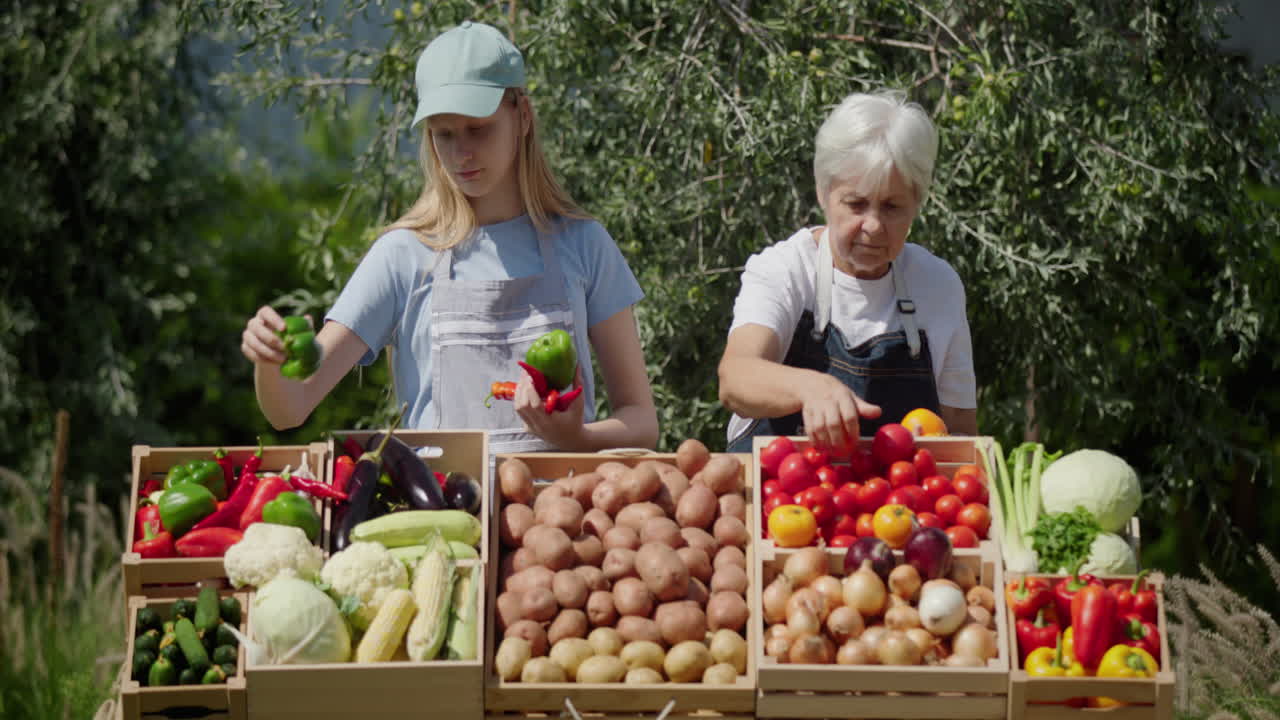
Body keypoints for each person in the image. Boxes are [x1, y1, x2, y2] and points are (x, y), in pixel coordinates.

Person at [240, 21, 658, 454]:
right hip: (439, 515)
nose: (462, 152)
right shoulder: (402, 255)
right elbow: (290, 409)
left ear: (524, 116)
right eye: (444, 133)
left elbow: (642, 421)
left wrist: (578, 437)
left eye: (479, 128)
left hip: (557, 511)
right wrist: (270, 364)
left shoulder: (585, 244)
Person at [719, 90, 977, 454]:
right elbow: (735, 378)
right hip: (777, 499)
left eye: (892, 207)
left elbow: (962, 435)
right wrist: (809, 388)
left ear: (917, 204)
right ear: (823, 194)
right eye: (855, 204)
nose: (872, 225)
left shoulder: (938, 285)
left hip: (894, 507)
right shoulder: (785, 268)